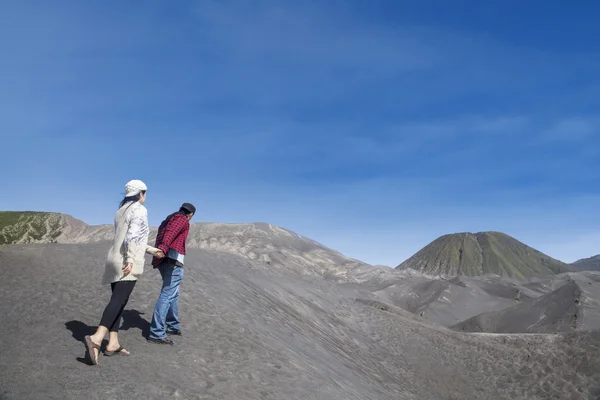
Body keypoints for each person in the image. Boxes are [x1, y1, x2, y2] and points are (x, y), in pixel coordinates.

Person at [84, 179, 165, 365]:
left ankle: (112, 343)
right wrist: (130, 260)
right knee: (119, 300)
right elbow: (133, 237)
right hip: (126, 261)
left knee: (119, 301)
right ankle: (96, 338)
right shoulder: (139, 209)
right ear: (141, 193)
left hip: (114, 258)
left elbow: (130, 237)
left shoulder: (121, 211)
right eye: (145, 193)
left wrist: (153, 250)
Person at [147, 202, 196, 345]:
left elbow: (166, 233)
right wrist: (162, 248)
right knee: (168, 294)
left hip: (166, 261)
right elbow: (170, 233)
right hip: (173, 261)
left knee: (174, 294)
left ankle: (173, 325)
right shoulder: (181, 219)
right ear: (190, 214)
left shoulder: (169, 219)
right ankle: (156, 332)